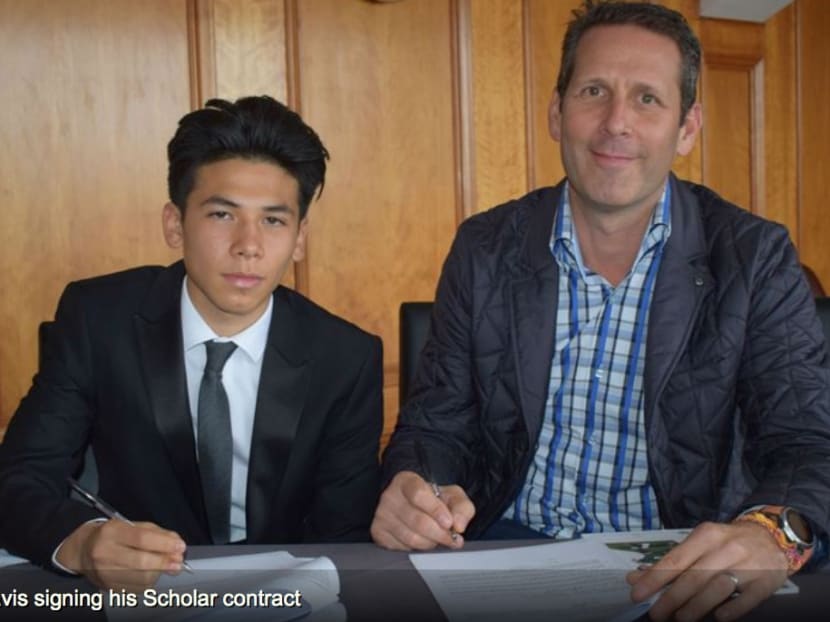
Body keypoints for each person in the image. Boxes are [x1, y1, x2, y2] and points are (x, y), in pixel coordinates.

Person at [372, 1, 830, 620]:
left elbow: (808, 443)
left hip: (679, 565)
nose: (617, 122)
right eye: (594, 91)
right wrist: (413, 486)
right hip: (501, 556)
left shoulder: (755, 256)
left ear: (687, 127)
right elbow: (434, 426)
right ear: (557, 113)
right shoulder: (485, 246)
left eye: (647, 99)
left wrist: (770, 536)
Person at [0, 95, 383, 591]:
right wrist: (84, 543)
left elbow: (343, 536)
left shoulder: (346, 358)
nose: (249, 245)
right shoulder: (99, 318)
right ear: (174, 224)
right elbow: (20, 478)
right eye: (222, 215)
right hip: (136, 595)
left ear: (300, 237)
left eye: (273, 220)